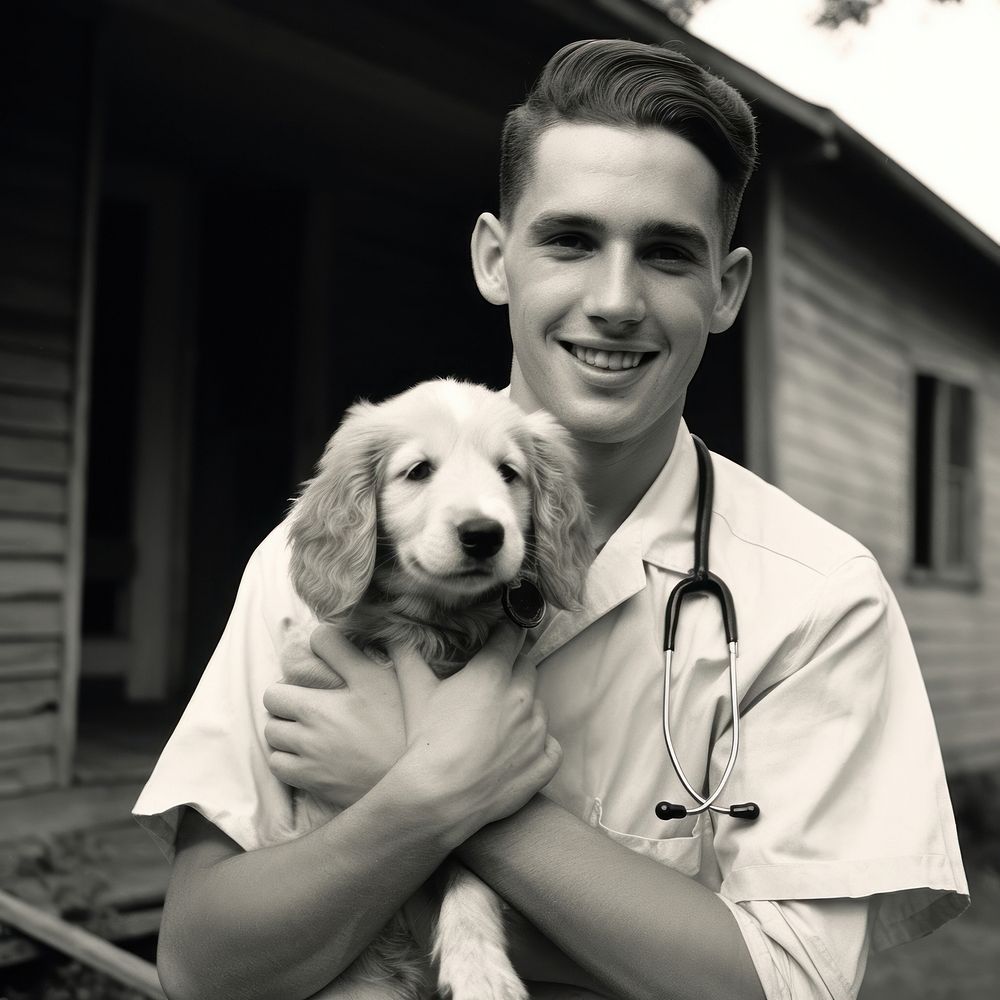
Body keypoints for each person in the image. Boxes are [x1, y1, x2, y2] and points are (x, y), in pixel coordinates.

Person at [134, 39, 969, 1000]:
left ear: (727, 289)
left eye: (665, 252)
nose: (615, 302)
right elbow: (200, 966)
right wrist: (418, 805)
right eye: (570, 241)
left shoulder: (818, 600)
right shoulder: (315, 558)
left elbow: (790, 984)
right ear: (496, 259)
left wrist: (449, 791)